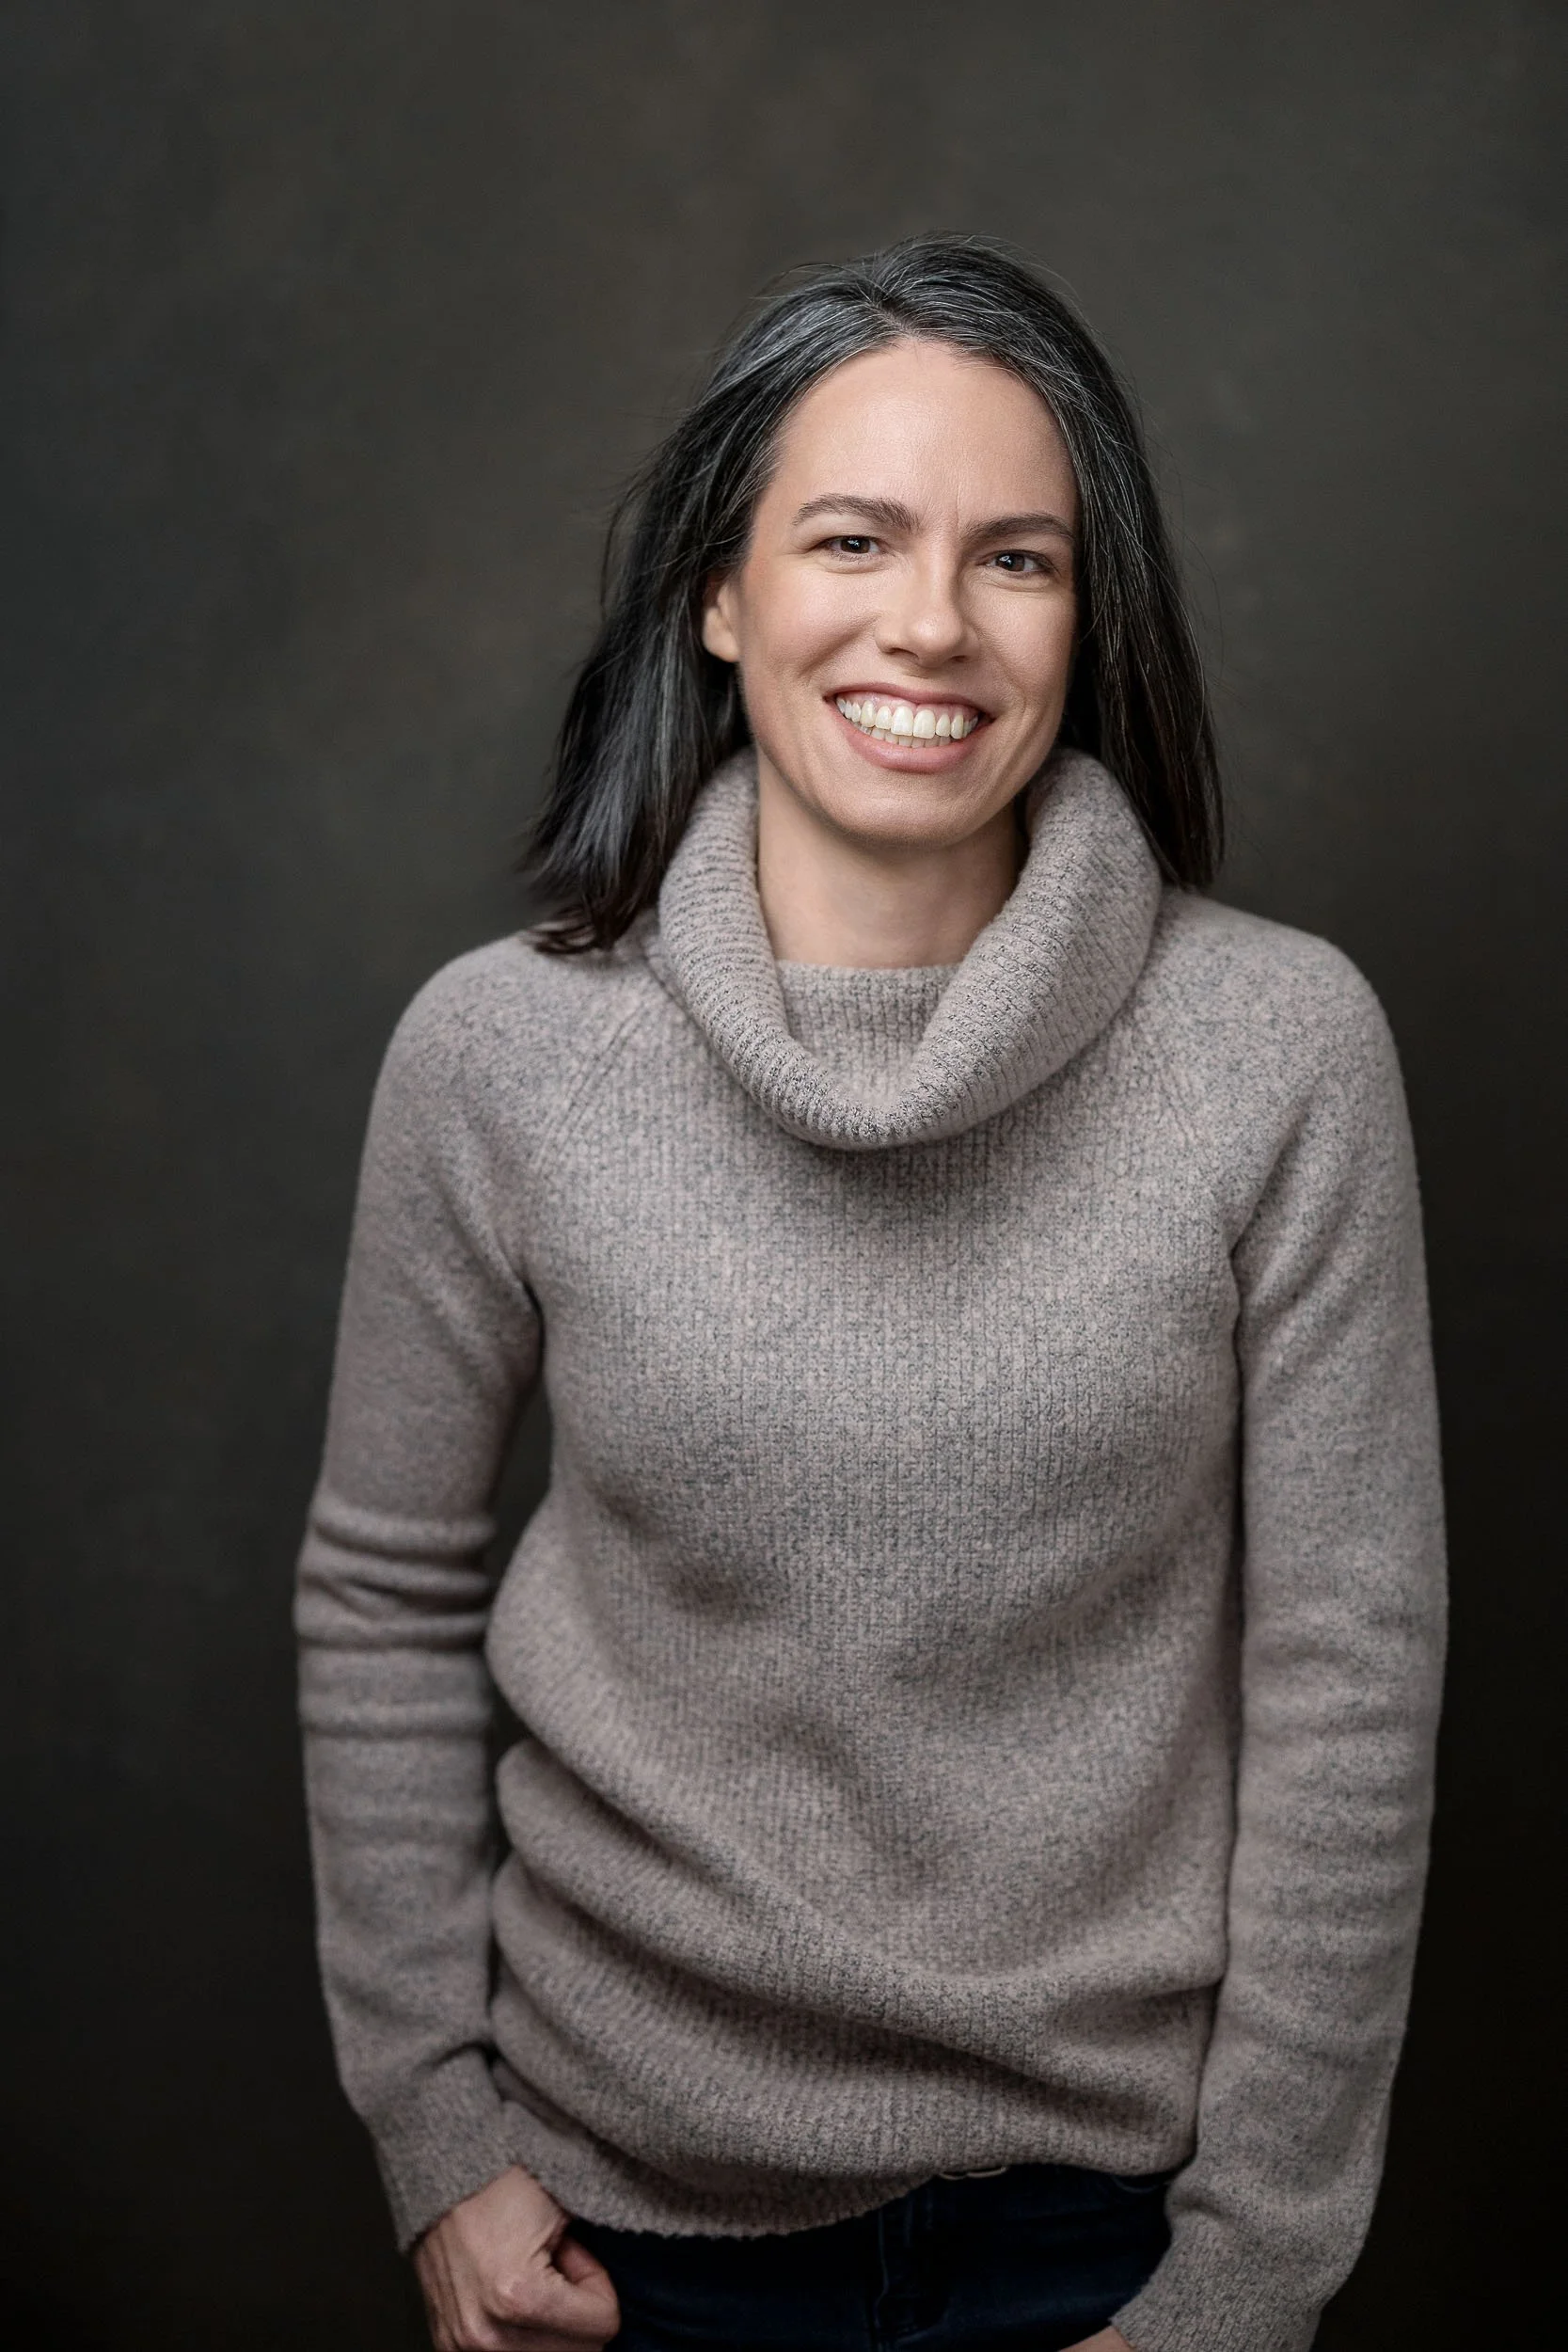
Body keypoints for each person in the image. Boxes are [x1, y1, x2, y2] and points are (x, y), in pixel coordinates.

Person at [296, 236, 1445, 2352]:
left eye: (1016, 556)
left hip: (1113, 2231)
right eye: (851, 536)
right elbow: (379, 1588)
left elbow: (1350, 1672)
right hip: (616, 2236)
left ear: (1085, 626)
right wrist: (434, 2137)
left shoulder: (1277, 1045)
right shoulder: (502, 1053)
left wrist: (1252, 2264)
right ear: (718, 599)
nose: (929, 619)